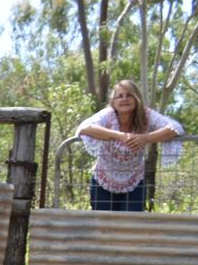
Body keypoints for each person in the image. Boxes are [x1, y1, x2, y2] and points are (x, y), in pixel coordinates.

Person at [76, 80, 184, 212]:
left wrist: (146, 138)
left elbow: (175, 128)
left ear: (136, 98)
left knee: (131, 226)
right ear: (113, 102)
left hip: (134, 183)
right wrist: (119, 136)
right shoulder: (108, 114)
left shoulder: (146, 115)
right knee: (103, 226)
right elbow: (85, 127)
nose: (124, 99)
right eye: (119, 96)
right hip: (102, 181)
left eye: (129, 95)